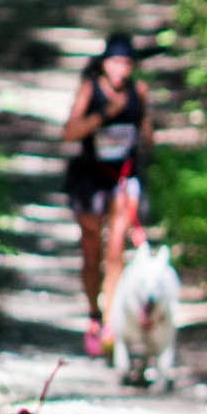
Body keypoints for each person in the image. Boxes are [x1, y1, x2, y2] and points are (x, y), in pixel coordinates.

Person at [62, 32, 154, 357]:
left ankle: (112, 321)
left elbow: (147, 137)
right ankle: (93, 316)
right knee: (92, 251)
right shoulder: (91, 90)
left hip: (122, 180)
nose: (121, 69)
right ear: (104, 64)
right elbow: (69, 132)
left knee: (116, 250)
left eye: (127, 63)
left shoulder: (138, 93)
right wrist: (104, 116)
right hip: (90, 179)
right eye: (115, 61)